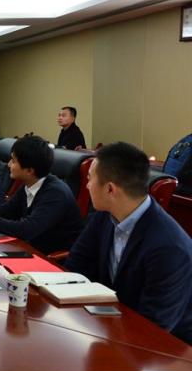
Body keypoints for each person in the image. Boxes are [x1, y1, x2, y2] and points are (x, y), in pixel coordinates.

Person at [65, 142, 192, 344]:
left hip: (166, 349)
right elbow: (75, 268)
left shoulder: (169, 247)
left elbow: (154, 327)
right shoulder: (104, 216)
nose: (87, 185)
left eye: (90, 179)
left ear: (110, 189)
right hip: (109, 325)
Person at [0, 135, 84, 254]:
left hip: (49, 257)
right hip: (28, 247)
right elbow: (6, 211)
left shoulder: (56, 193)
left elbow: (26, 229)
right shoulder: (29, 184)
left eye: (13, 161)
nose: (9, 164)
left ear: (29, 170)